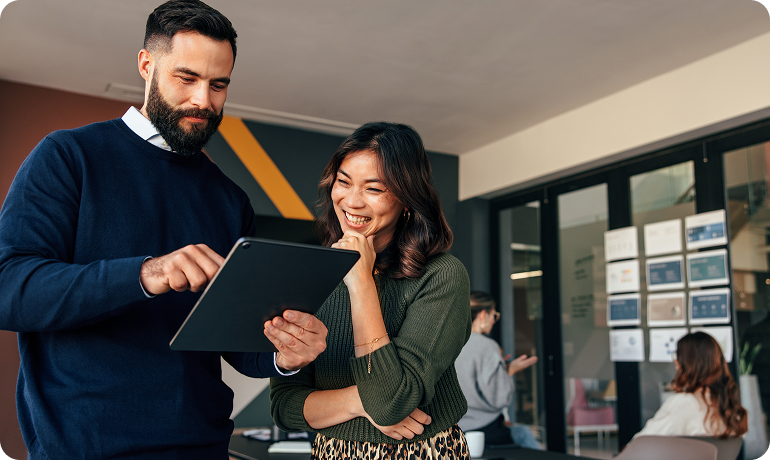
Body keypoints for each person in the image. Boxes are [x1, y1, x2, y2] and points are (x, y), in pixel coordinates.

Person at [0, 1, 327, 458]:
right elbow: (9, 291)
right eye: (187, 78)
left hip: (203, 447)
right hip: (83, 449)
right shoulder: (68, 157)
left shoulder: (230, 201)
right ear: (146, 64)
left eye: (218, 85)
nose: (204, 101)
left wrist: (283, 354)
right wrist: (146, 274)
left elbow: (238, 342)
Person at [269, 122, 473, 458]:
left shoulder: (441, 276)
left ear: (407, 199)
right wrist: (358, 402)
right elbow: (285, 406)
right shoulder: (306, 276)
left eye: (374, 189)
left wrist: (360, 282)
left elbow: (390, 404)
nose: (351, 201)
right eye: (344, 182)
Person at [454, 291, 541, 449]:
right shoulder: (487, 346)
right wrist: (510, 371)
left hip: (454, 430)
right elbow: (499, 398)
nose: (494, 321)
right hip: (485, 430)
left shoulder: (449, 343)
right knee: (523, 433)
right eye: (494, 315)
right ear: (483, 315)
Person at [635, 331, 747, 439]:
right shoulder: (729, 406)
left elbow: (641, 442)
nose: (675, 361)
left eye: (678, 355)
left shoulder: (683, 402)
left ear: (690, 363)